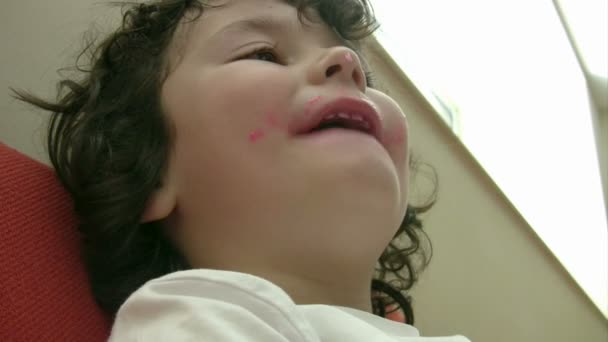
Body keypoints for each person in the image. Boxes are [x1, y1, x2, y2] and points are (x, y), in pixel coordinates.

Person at [12, 0, 470, 340]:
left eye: (367, 79)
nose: (347, 63)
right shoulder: (199, 318)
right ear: (150, 174)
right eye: (263, 53)